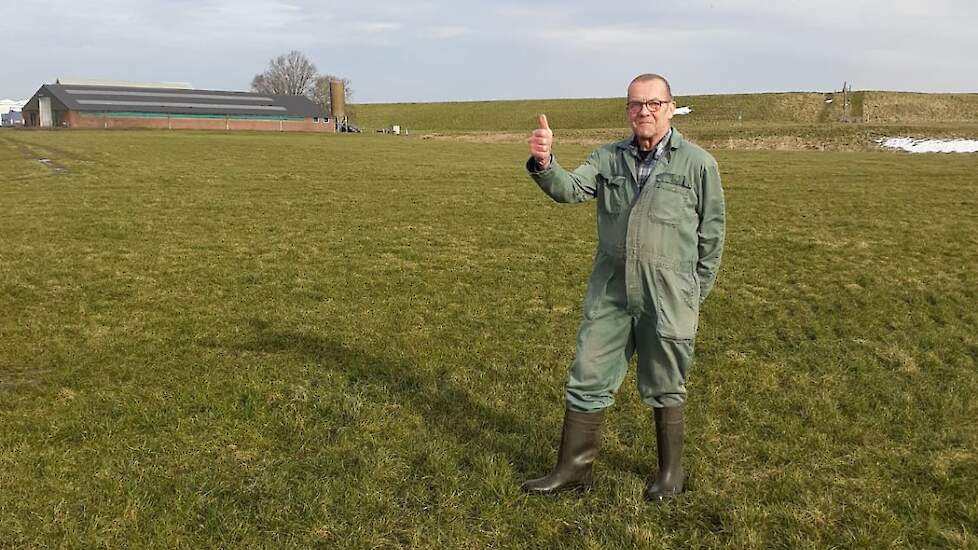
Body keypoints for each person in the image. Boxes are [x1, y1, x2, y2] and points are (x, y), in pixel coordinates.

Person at [522, 73, 725, 502]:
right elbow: (571, 189)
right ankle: (573, 472)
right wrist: (545, 162)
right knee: (588, 374)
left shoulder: (698, 163)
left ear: (671, 107)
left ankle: (670, 474)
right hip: (612, 292)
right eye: (635, 104)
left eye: (653, 103)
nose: (644, 111)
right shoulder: (608, 157)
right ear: (628, 110)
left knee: (667, 381)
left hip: (668, 297)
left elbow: (712, 236)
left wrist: (692, 295)